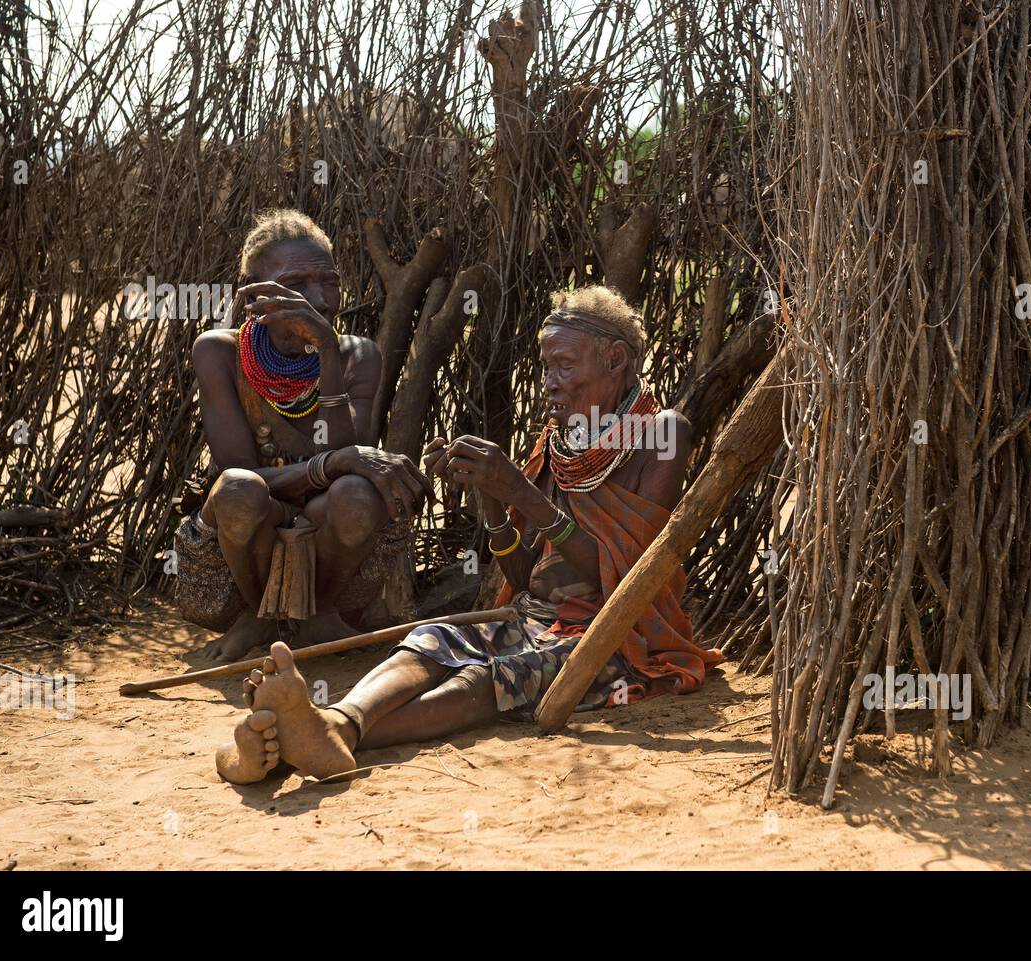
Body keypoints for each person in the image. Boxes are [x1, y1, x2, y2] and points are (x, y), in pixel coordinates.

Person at [216, 285, 722, 783]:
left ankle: (325, 732)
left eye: (565, 366)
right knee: (432, 638)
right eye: (546, 367)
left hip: (617, 639)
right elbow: (527, 578)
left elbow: (628, 582)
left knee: (495, 677)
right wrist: (492, 496)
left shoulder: (663, 434)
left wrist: (520, 491)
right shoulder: (559, 440)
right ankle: (328, 726)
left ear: (615, 360)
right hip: (536, 618)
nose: (550, 382)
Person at [174, 208, 426, 671]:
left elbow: (351, 476)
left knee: (355, 493)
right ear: (253, 296)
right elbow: (245, 471)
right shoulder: (219, 352)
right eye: (298, 284)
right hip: (243, 547)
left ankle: (320, 615)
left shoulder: (357, 356)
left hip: (332, 542)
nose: (320, 299)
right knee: (237, 489)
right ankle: (257, 616)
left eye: (328, 281)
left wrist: (327, 351)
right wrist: (330, 465)